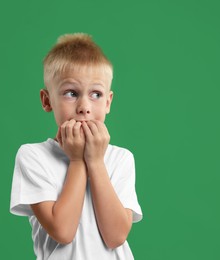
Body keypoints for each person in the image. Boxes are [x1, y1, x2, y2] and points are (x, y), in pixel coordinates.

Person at [9, 33, 142, 259]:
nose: (84, 107)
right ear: (47, 100)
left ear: (108, 102)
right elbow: (63, 231)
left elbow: (116, 236)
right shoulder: (33, 156)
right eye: (71, 93)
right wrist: (78, 160)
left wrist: (96, 161)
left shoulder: (121, 158)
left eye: (96, 94)